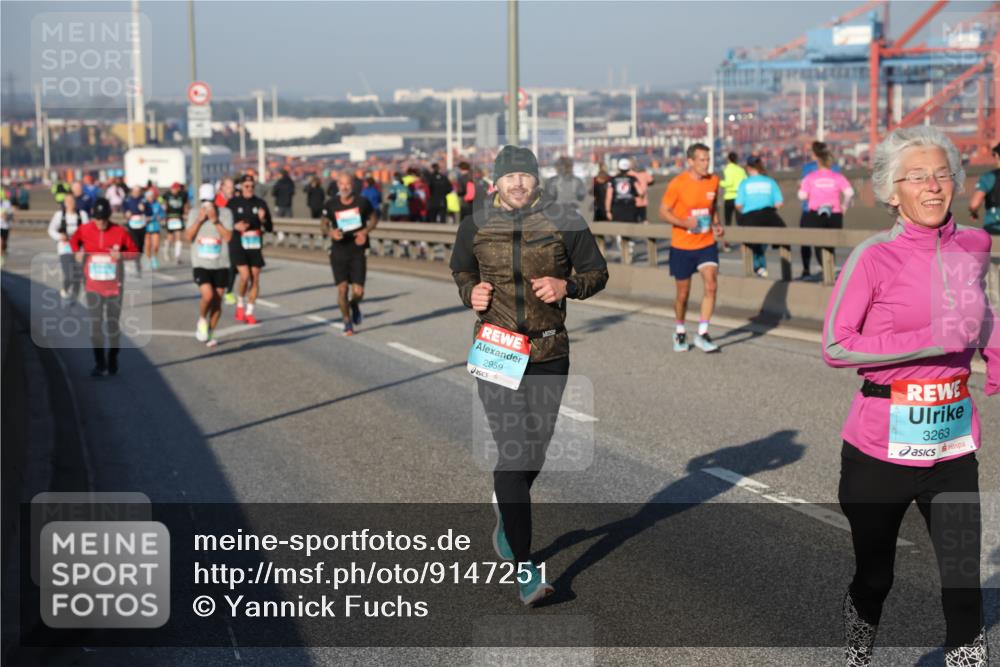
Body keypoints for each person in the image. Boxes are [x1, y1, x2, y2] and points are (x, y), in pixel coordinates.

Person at [823, 126, 996, 667]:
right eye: (917, 177)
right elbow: (835, 344)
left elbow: (979, 310)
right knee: (876, 576)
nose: (933, 186)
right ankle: (857, 651)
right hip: (880, 446)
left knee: (964, 579)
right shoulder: (874, 258)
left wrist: (995, 353)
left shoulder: (975, 244)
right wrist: (926, 340)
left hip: (951, 443)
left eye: (942, 174)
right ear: (892, 192)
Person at [450, 145, 609, 606]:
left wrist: (568, 286)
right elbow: (460, 268)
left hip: (548, 349)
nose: (517, 183)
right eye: (509, 177)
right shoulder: (475, 224)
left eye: (525, 176)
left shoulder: (565, 220)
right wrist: (470, 292)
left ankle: (506, 500)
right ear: (494, 183)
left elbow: (597, 273)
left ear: (536, 181)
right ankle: (525, 566)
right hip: (497, 349)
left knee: (532, 453)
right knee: (514, 450)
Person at [660, 143, 723, 353]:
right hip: (682, 246)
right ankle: (679, 331)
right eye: (702, 160)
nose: (706, 164)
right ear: (690, 162)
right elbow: (664, 211)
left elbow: (712, 207)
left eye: (708, 159)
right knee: (683, 295)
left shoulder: (713, 181)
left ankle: (702, 333)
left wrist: (716, 223)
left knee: (711, 285)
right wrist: (684, 223)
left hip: (706, 244)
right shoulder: (677, 184)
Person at [69, 197, 139, 377]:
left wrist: (121, 255)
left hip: (115, 286)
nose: (100, 223)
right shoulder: (84, 230)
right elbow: (74, 241)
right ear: (93, 216)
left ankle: (113, 355)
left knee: (113, 325)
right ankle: (100, 363)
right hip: (93, 286)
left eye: (104, 219)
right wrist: (77, 252)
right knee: (95, 325)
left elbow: (134, 252)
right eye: (97, 219)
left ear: (108, 216)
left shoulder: (119, 231)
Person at [321, 171, 378, 336]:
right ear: (337, 185)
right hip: (338, 251)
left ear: (352, 186)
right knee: (342, 289)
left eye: (348, 184)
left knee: (358, 292)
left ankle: (354, 305)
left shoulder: (362, 202)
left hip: (357, 251)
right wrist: (331, 232)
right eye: (342, 184)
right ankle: (347, 321)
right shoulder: (331, 204)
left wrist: (365, 231)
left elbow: (374, 218)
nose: (345, 187)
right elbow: (323, 225)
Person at [186, 183, 233, 348]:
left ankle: (211, 332)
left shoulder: (226, 213)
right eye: (204, 200)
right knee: (207, 295)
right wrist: (199, 220)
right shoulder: (194, 213)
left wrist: (215, 221)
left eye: (210, 200)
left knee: (217, 301)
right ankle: (201, 319)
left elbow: (228, 237)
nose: (207, 204)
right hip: (201, 263)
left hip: (220, 263)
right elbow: (188, 236)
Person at [799, 147, 854, 279]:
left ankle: (825, 270)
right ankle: (830, 268)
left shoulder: (810, 177)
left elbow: (802, 196)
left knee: (819, 243)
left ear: (819, 163)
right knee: (831, 242)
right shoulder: (837, 177)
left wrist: (813, 195)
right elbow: (849, 193)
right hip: (834, 213)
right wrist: (844, 206)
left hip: (816, 213)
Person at [228, 174, 272, 325]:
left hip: (254, 244)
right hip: (238, 244)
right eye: (246, 186)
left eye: (252, 186)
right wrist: (235, 226)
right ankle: (240, 303)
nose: (250, 189)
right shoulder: (233, 203)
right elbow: (224, 224)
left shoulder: (260, 203)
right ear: (240, 187)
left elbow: (270, 227)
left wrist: (263, 219)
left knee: (255, 278)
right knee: (244, 276)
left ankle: (250, 311)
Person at [734, 156, 784, 278]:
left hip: (751, 217)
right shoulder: (770, 182)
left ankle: (759, 267)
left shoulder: (745, 183)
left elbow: (738, 205)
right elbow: (779, 202)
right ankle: (762, 268)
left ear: (748, 168)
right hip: (768, 216)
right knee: (762, 244)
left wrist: (746, 211)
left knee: (752, 244)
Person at [47, 193, 88, 302]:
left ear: (75, 202)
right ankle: (65, 290)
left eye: (72, 201)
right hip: (65, 249)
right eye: (67, 201)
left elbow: (88, 231)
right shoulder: (59, 215)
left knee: (78, 277)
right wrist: (60, 236)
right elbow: (51, 230)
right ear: (64, 203)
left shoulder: (82, 214)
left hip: (79, 250)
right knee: (69, 275)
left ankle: (74, 300)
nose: (70, 203)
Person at [968, 141, 1000, 235]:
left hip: (994, 227)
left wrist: (973, 212)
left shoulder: (989, 177)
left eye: (994, 155)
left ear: (997, 156)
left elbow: (974, 204)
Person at [720, 151, 747, 252]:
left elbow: (728, 183)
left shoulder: (727, 169)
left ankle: (726, 244)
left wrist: (720, 183)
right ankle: (744, 243)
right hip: (739, 198)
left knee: (727, 222)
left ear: (728, 159)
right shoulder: (741, 170)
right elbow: (745, 181)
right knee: (740, 221)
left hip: (729, 197)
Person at [605, 158, 639, 223]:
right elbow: (640, 192)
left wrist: (608, 211)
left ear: (618, 167)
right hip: (630, 208)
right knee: (630, 230)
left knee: (618, 230)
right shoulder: (632, 179)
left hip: (617, 208)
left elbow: (608, 197)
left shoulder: (612, 179)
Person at [123, 185, 147, 275]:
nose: (136, 193)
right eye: (135, 192)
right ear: (132, 192)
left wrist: (144, 209)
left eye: (138, 192)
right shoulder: (127, 200)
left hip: (141, 224)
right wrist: (126, 214)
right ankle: (137, 264)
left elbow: (148, 210)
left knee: (141, 246)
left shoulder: (143, 199)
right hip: (132, 225)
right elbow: (125, 210)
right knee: (135, 244)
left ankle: (138, 260)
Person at [163, 182, 188, 265]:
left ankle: (178, 256)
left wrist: (185, 212)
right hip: (170, 217)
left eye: (177, 189)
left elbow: (185, 204)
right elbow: (161, 201)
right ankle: (166, 251)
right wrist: (163, 208)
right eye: (174, 189)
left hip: (178, 217)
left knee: (178, 237)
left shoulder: (183, 195)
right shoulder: (167, 194)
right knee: (170, 237)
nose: (176, 190)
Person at [142, 187, 164, 270]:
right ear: (146, 197)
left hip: (155, 226)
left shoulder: (157, 205)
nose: (150, 198)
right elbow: (140, 213)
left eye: (152, 196)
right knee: (147, 246)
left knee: (155, 245)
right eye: (149, 197)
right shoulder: (144, 205)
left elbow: (162, 214)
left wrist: (160, 217)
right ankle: (148, 260)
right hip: (146, 227)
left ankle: (154, 258)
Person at [0, 188, 12, 268]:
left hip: (6, 226)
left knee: (4, 243)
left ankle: (3, 253)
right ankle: (1, 259)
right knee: (0, 242)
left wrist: (6, 216)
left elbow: (10, 214)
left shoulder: (7, 203)